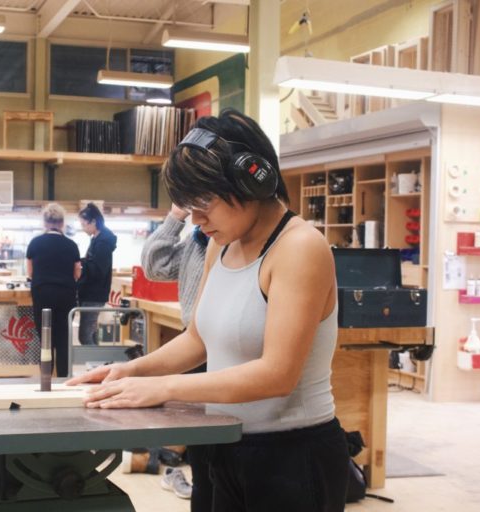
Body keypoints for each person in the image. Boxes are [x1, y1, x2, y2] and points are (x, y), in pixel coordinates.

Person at [68, 109, 349, 511]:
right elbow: (197, 339)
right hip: (221, 442)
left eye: (204, 203)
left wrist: (164, 388)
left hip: (289, 456)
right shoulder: (221, 243)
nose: (197, 220)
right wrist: (131, 371)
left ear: (252, 179)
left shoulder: (299, 247)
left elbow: (278, 374)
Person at [140, 206, 211, 509]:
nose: (199, 217)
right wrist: (175, 216)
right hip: (193, 339)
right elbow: (154, 267)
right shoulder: (197, 240)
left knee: (215, 439)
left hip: (220, 345)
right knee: (200, 436)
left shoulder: (233, 242)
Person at [26, 203, 82, 377]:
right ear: (62, 223)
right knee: (64, 338)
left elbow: (30, 273)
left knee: (45, 338)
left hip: (42, 295)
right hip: (66, 296)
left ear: (44, 222)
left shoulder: (35, 243)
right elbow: (77, 273)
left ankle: (46, 378)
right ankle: (64, 378)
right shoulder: (71, 245)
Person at [76, 203, 117, 346]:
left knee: (85, 336)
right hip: (92, 293)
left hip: (94, 294)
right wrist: (81, 261)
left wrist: (81, 264)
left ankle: (95, 360)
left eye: (84, 224)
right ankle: (98, 359)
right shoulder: (97, 239)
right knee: (91, 335)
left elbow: (98, 269)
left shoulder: (103, 242)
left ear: (93, 221)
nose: (83, 228)